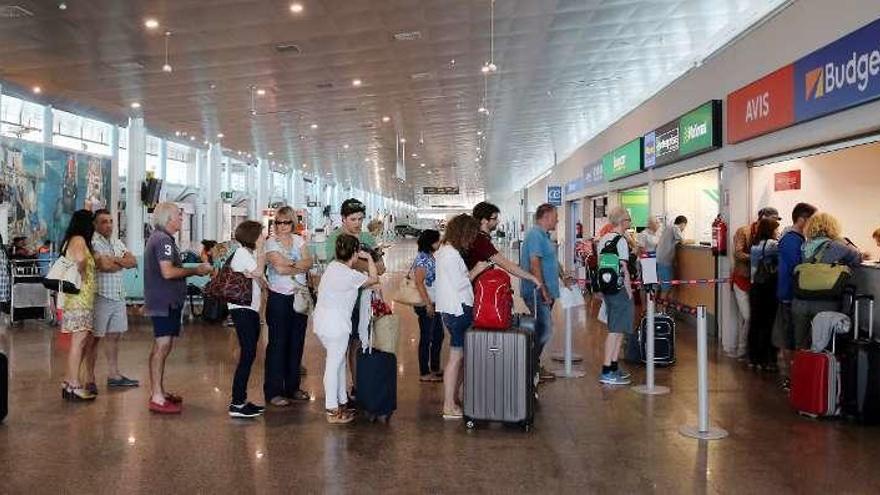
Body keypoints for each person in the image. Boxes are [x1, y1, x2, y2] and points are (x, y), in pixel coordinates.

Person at [143, 202, 212, 414]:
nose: (181, 219)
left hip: (167, 300)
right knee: (162, 346)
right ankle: (156, 395)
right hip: (163, 301)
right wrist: (196, 271)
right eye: (178, 216)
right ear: (168, 218)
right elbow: (168, 272)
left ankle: (159, 391)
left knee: (163, 346)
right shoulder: (163, 240)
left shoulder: (163, 239)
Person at [313, 234, 379, 424]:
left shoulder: (333, 267)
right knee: (334, 365)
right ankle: (332, 409)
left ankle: (341, 402)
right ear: (355, 253)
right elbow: (374, 278)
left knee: (338, 362)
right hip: (336, 325)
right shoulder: (349, 275)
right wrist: (370, 258)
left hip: (323, 323)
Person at [325, 198, 385, 403]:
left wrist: (365, 263)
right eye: (353, 219)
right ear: (343, 218)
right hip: (342, 304)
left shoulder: (367, 236)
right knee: (341, 349)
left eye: (360, 218)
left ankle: (359, 387)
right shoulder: (334, 238)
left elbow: (381, 268)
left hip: (363, 301)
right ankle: (339, 397)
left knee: (359, 344)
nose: (357, 223)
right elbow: (341, 268)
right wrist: (367, 265)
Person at [435, 214, 491, 419]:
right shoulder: (450, 254)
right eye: (471, 235)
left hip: (452, 309)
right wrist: (477, 269)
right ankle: (448, 405)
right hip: (458, 309)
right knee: (456, 357)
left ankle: (453, 399)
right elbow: (460, 282)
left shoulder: (444, 252)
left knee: (459, 356)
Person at [791, 212, 865, 350]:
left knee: (800, 346)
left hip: (800, 302)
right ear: (832, 227)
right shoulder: (839, 246)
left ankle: (802, 370)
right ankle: (821, 371)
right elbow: (857, 259)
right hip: (826, 303)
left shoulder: (804, 246)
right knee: (823, 347)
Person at [264, 206, 313, 406]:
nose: (282, 226)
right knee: (278, 344)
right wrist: (297, 264)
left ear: (293, 223)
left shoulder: (300, 240)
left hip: (299, 297)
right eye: (278, 222)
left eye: (286, 222)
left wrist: (290, 264)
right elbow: (278, 268)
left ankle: (293, 387)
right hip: (279, 298)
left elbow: (308, 262)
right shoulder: (270, 243)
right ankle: (274, 391)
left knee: (296, 343)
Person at [86, 209, 139, 392]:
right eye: (103, 222)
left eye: (110, 221)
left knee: (114, 336)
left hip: (117, 295)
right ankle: (90, 378)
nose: (108, 225)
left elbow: (133, 261)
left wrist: (114, 259)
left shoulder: (116, 241)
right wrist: (117, 262)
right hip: (100, 296)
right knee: (94, 339)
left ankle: (113, 374)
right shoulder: (92, 242)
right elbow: (104, 266)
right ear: (95, 224)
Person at [520, 204, 569, 378]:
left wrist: (564, 277)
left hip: (545, 290)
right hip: (537, 291)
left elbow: (552, 261)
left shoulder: (545, 236)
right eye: (556, 216)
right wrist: (543, 289)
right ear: (546, 216)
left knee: (541, 328)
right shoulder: (534, 235)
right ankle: (530, 368)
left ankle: (533, 367)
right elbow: (535, 264)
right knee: (544, 329)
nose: (557, 219)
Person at [227, 221, 268, 419]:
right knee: (248, 354)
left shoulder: (247, 254)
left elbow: (260, 279)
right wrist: (261, 252)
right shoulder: (243, 253)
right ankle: (236, 402)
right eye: (261, 234)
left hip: (250, 309)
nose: (264, 237)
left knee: (249, 354)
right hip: (242, 309)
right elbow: (259, 273)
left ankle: (240, 400)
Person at [773, 203, 816, 387]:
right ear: (802, 219)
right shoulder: (793, 240)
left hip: (789, 293)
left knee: (789, 337)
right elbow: (797, 268)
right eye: (812, 221)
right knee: (790, 338)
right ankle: (791, 378)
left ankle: (791, 377)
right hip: (790, 294)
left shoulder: (792, 238)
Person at [728, 207, 780, 359]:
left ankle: (754, 352)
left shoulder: (773, 235)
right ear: (763, 217)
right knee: (749, 317)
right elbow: (737, 253)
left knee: (758, 318)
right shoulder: (743, 231)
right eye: (773, 219)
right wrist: (758, 256)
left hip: (760, 283)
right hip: (743, 280)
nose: (776, 223)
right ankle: (743, 350)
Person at [60, 210, 98, 401]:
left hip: (78, 300)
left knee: (80, 342)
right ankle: (74, 384)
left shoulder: (72, 239)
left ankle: (68, 381)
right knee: (79, 342)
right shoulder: (79, 240)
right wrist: (83, 272)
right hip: (80, 300)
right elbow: (80, 260)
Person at [597, 208, 635, 386]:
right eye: (628, 219)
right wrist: (629, 292)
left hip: (607, 289)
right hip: (620, 290)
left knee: (618, 328)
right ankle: (606, 370)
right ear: (621, 221)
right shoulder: (621, 241)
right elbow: (624, 270)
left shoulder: (604, 239)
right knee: (614, 330)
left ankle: (613, 366)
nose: (630, 222)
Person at [412, 229, 444, 382]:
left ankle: (435, 367)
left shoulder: (431, 256)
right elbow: (419, 283)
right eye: (438, 241)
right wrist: (428, 304)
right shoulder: (422, 259)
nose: (440, 243)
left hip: (434, 302)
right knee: (427, 337)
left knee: (438, 335)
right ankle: (424, 372)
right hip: (426, 304)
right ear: (431, 243)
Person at [748, 218, 780, 371]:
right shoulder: (772, 245)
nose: (777, 232)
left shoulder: (754, 245)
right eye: (776, 229)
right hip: (768, 287)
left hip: (755, 286)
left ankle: (753, 358)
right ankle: (767, 359)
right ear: (770, 230)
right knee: (769, 323)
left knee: (755, 323)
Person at [656, 215, 687, 294]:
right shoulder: (675, 228)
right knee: (667, 287)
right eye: (685, 226)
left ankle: (656, 305)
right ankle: (663, 306)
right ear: (683, 224)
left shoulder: (668, 228)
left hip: (659, 259)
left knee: (660, 285)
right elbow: (683, 241)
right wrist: (693, 240)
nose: (684, 228)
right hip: (665, 261)